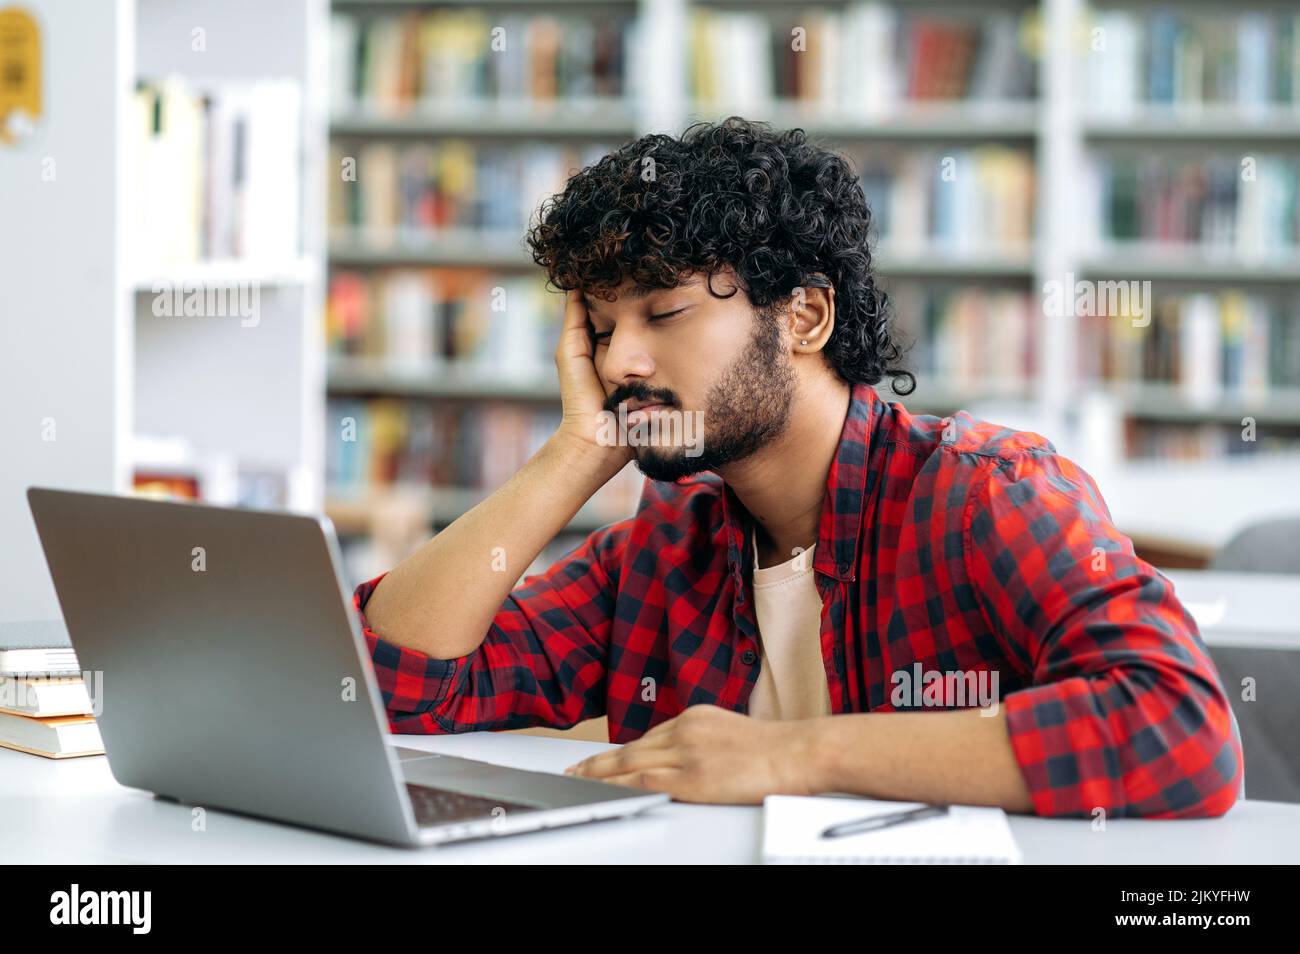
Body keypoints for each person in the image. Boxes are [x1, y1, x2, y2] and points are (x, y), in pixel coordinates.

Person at [354, 117, 1241, 818]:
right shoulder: (669, 547)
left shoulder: (987, 496)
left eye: (662, 313)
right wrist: (572, 456)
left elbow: (1179, 727)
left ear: (805, 317)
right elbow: (390, 684)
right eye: (598, 326)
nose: (619, 362)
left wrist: (795, 755)